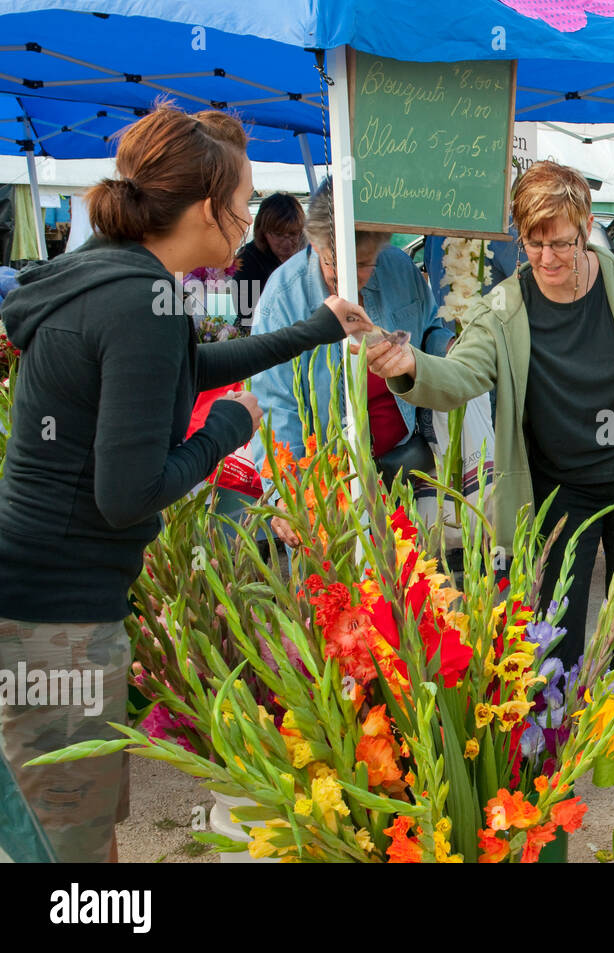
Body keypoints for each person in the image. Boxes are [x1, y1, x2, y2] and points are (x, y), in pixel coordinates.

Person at [0, 105, 371, 863]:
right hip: (54, 621)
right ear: (209, 208)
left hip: (45, 600)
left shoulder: (116, 275)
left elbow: (182, 370)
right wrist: (227, 433)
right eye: (244, 198)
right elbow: (127, 493)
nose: (249, 216)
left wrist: (318, 325)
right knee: (66, 845)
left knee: (76, 826)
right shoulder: (135, 299)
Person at [361, 161, 614, 677]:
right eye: (533, 242)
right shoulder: (502, 307)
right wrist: (410, 366)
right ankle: (559, 751)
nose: (547, 258)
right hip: (559, 496)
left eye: (562, 243)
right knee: (554, 647)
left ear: (586, 226)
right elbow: (460, 376)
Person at [250, 178, 454, 547]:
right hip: (325, 484)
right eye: (336, 262)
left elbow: (431, 330)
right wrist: (285, 492)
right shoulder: (282, 296)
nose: (351, 277)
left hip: (404, 468)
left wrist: (449, 347)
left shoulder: (400, 269)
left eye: (364, 264)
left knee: (408, 589)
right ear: (313, 243)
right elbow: (273, 402)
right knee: (336, 594)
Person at [231, 192, 305, 328]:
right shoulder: (247, 259)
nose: (287, 243)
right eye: (279, 235)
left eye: (293, 234)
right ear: (263, 232)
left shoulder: (308, 253)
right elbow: (247, 313)